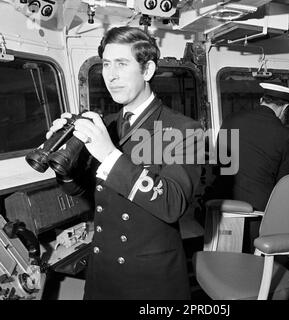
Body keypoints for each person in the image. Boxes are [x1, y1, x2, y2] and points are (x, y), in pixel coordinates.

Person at [47, 26, 204, 299]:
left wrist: (109, 155)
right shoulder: (106, 125)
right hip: (102, 270)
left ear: (148, 70)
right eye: (106, 64)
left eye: (122, 63)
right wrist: (63, 165)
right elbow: (87, 193)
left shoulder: (184, 130)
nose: (111, 75)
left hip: (149, 278)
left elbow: (172, 204)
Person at [209, 83, 289, 253]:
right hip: (258, 209)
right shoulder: (284, 134)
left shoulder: (231, 120)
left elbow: (220, 164)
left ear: (261, 100)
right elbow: (284, 181)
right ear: (284, 108)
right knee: (253, 260)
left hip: (225, 203)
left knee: (226, 256)